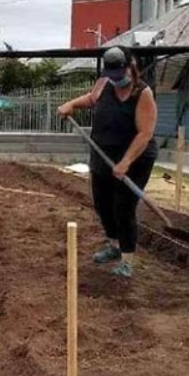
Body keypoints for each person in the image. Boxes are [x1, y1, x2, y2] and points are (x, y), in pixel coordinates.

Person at [57, 46, 158, 279]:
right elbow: (92, 99)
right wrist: (71, 104)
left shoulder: (142, 94)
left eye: (118, 74)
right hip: (102, 153)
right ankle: (113, 246)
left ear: (129, 67)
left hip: (135, 158)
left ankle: (127, 260)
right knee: (103, 204)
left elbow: (145, 133)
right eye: (111, 74)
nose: (115, 79)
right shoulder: (104, 84)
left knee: (123, 208)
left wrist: (126, 162)